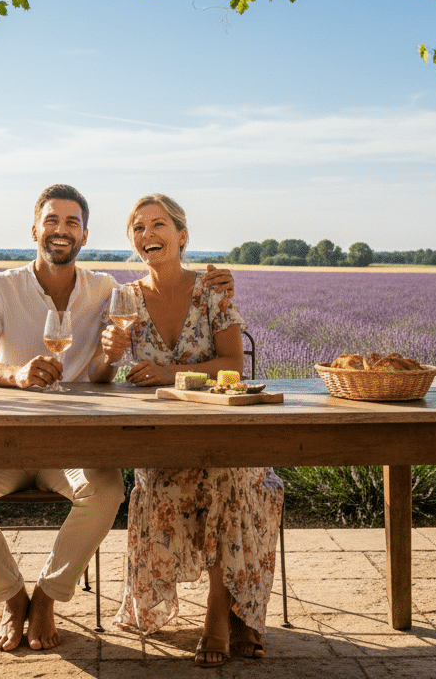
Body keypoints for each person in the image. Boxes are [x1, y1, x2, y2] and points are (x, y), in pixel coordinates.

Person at [0, 184, 235, 653]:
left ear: (85, 234)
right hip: (8, 443)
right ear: (35, 229)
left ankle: (49, 597)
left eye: (71, 222)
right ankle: (13, 597)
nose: (61, 230)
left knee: (108, 490)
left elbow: (104, 367)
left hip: (72, 447)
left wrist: (109, 357)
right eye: (52, 220)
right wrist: (14, 374)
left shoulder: (105, 290)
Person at [96, 193, 284, 668]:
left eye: (158, 224)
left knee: (229, 477)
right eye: (137, 228)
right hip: (163, 444)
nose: (147, 235)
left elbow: (233, 365)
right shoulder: (126, 298)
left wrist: (167, 372)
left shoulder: (213, 290)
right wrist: (110, 352)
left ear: (181, 235)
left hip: (224, 437)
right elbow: (104, 371)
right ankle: (239, 615)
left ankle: (220, 616)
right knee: (187, 480)